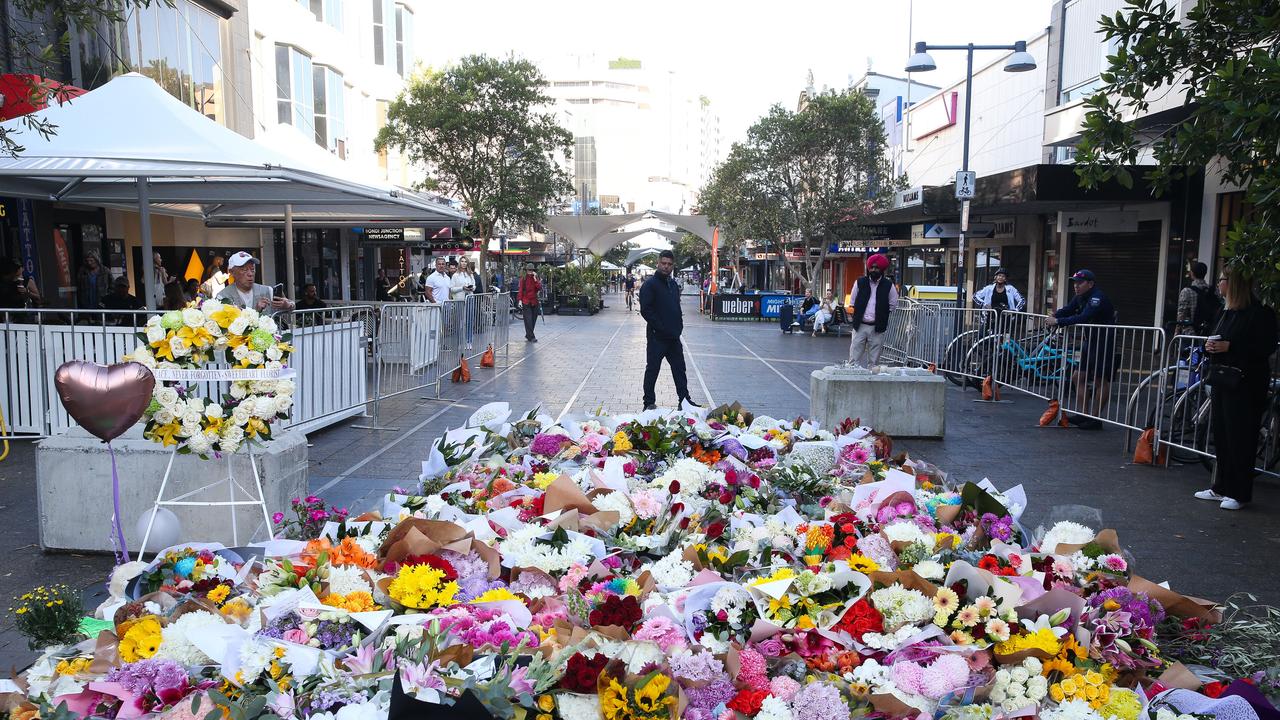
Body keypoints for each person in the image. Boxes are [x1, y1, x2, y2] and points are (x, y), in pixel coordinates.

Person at [1193, 266, 1277, 511]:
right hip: (1223, 379)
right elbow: (1215, 335)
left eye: (1222, 279)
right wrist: (1211, 346)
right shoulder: (1225, 311)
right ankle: (1221, 486)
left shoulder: (1260, 313)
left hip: (1246, 383)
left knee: (1241, 436)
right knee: (1222, 434)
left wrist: (1231, 347)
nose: (1218, 283)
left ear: (1234, 283)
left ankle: (1238, 492)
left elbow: (1265, 346)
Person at [1046, 269, 1116, 429]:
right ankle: (1084, 414)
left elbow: (1083, 317)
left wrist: (1058, 322)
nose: (1076, 286)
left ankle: (1095, 419)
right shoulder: (1080, 296)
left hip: (1103, 340)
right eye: (1075, 283)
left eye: (1080, 283)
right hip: (1090, 340)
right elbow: (1069, 309)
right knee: (1078, 377)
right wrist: (1055, 315)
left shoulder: (1096, 298)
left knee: (1099, 379)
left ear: (1090, 284)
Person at [639, 249, 700, 410]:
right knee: (652, 369)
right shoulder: (650, 285)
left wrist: (678, 326)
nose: (666, 267)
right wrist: (661, 328)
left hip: (673, 337)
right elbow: (646, 310)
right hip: (656, 337)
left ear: (673, 266)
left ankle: (684, 401)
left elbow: (676, 307)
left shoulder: (672, 284)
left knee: (680, 369)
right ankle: (649, 402)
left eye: (669, 264)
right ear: (658, 263)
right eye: (663, 263)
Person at [848, 253, 899, 367]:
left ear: (882, 269)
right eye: (872, 267)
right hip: (860, 326)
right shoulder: (860, 282)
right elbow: (852, 302)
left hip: (877, 328)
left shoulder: (888, 285)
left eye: (877, 267)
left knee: (874, 362)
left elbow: (893, 305)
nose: (874, 270)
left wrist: (881, 314)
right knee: (853, 359)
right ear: (868, 268)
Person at [215, 251, 295, 315]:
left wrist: (288, 305)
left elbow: (292, 305)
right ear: (232, 272)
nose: (250, 274)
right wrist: (256, 311)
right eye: (244, 270)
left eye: (252, 269)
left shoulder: (268, 290)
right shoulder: (223, 296)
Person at [1176, 260, 1220, 337]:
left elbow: (1182, 314)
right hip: (1209, 332)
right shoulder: (1213, 290)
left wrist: (1177, 331)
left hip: (1190, 333)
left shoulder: (1187, 291)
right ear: (1205, 273)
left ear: (1192, 273)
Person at [518, 263, 542, 342]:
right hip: (526, 301)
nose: (530, 271)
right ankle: (532, 337)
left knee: (533, 320)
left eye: (532, 270)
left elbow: (539, 288)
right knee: (528, 320)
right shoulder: (523, 279)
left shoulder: (535, 278)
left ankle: (528, 335)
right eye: (529, 270)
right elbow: (520, 290)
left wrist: (535, 279)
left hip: (534, 301)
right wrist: (520, 300)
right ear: (526, 270)